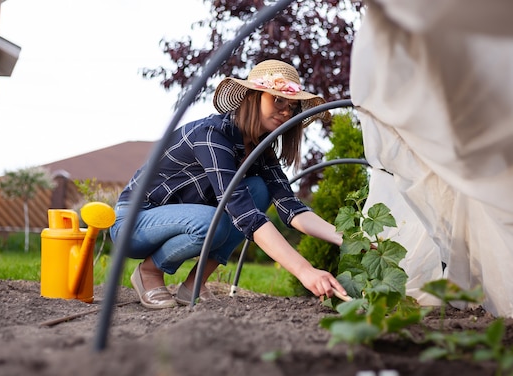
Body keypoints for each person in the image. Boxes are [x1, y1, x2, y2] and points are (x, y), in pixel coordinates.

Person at [110, 59, 348, 309]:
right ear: (252, 97)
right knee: (216, 220)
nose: (286, 111)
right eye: (277, 100)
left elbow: (292, 208)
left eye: (292, 106)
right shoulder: (211, 135)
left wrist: (350, 239)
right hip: (135, 222)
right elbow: (242, 212)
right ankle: (149, 272)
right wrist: (305, 271)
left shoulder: (261, 152)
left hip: (188, 219)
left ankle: (195, 283)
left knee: (259, 189)